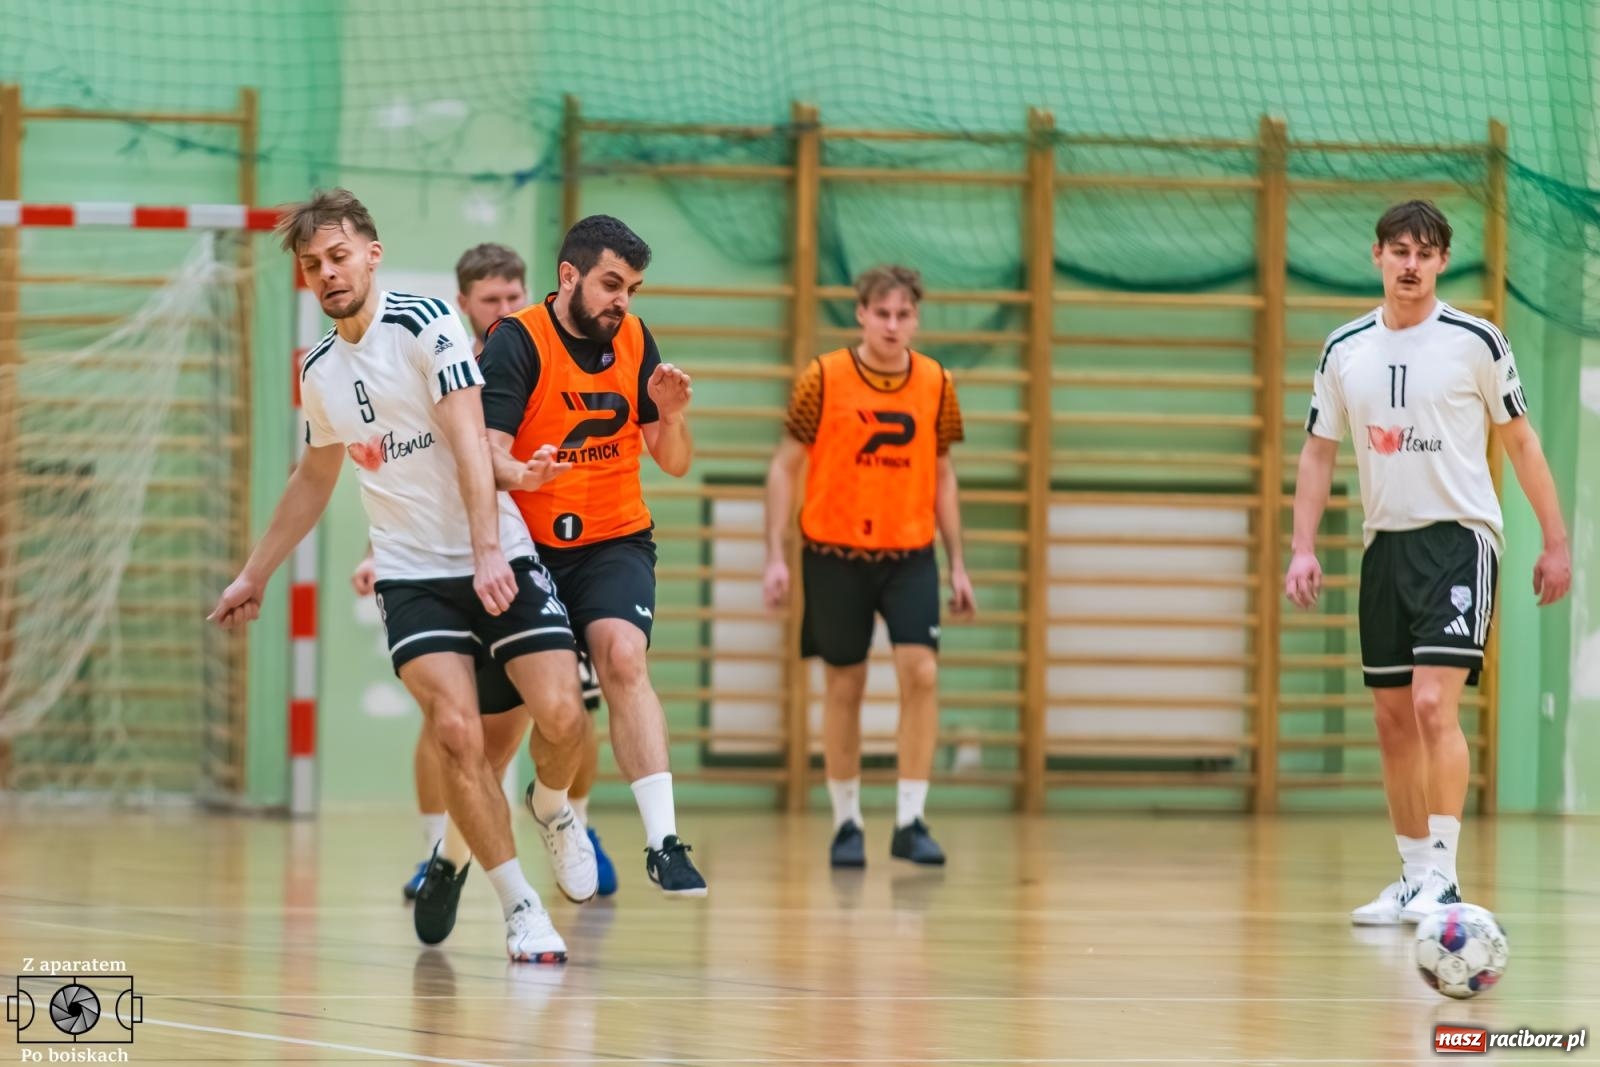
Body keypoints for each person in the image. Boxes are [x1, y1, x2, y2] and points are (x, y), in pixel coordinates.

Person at [209, 189, 596, 962]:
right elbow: (313, 478)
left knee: (563, 714)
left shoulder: (425, 323)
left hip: (497, 550)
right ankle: (521, 909)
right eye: (312, 264)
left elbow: (466, 439)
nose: (327, 273)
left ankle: (548, 807)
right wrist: (254, 573)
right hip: (411, 574)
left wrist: (489, 549)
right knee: (456, 733)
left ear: (371, 254)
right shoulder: (318, 370)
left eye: (339, 256)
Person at [1286, 200, 1571, 925]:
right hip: (1386, 544)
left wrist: (1556, 539)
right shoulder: (1344, 348)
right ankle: (1412, 876)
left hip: (1458, 540)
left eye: (1425, 252)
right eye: (1398, 250)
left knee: (1431, 702)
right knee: (1390, 718)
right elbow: (1318, 451)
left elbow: (1523, 443)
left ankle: (1444, 874)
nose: (1410, 264)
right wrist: (1302, 547)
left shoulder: (1475, 341)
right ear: (1375, 255)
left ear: (1443, 262)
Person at [350, 243, 617, 902]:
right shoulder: (443, 361)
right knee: (458, 723)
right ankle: (441, 848)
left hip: (551, 550)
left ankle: (571, 821)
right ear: (463, 303)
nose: (503, 308)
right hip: (464, 552)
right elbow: (406, 474)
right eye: (490, 299)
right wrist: (374, 552)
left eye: (512, 296)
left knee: (571, 705)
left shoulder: (546, 356)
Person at [478, 214, 708, 896]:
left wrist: (672, 416)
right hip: (531, 548)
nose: (623, 302)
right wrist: (526, 474)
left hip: (614, 537)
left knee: (623, 657)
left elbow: (672, 462)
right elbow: (486, 456)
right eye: (612, 284)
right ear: (569, 275)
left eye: (633, 288)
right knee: (512, 728)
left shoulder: (634, 339)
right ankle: (455, 855)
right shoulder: (516, 341)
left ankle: (664, 842)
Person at [761, 264, 975, 868]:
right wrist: (774, 555)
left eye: (903, 314)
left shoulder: (936, 382)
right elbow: (783, 466)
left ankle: (910, 819)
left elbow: (944, 475)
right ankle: (847, 821)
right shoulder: (822, 379)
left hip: (909, 554)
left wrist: (957, 562)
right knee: (845, 685)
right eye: (880, 312)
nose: (891, 324)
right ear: (860, 314)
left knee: (922, 674)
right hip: (833, 555)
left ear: (916, 319)